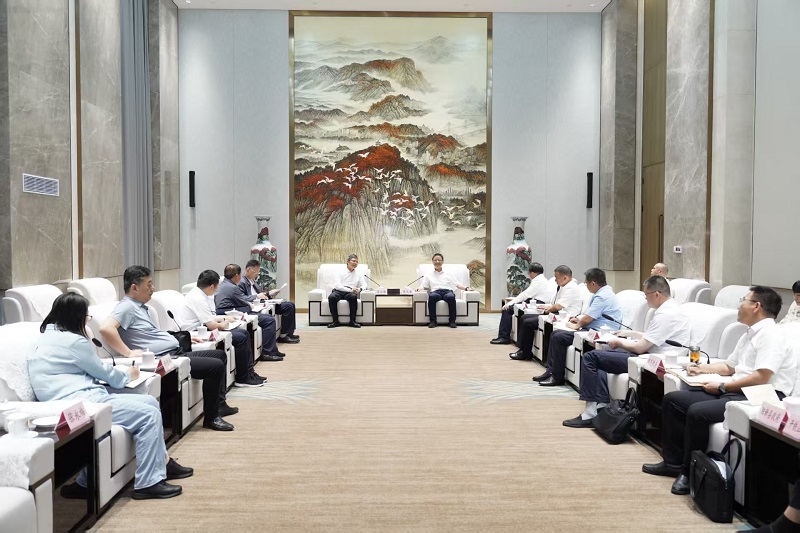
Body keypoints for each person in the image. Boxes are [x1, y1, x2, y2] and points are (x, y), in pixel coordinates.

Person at [30, 293, 192, 500]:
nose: (86, 322)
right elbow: (102, 372)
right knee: (148, 415)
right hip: (84, 403)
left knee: (150, 401)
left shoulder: (45, 338)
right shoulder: (73, 342)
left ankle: (161, 463)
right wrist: (129, 375)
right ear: (76, 316)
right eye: (86, 317)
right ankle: (148, 483)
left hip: (68, 400)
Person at [642, 286, 796, 496]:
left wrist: (723, 386)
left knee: (698, 412)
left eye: (743, 300)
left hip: (760, 395)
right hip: (739, 388)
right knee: (673, 400)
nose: (739, 305)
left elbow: (761, 377)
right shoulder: (750, 333)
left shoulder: (771, 335)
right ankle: (672, 463)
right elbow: (729, 367)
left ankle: (689, 473)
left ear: (756, 306)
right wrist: (700, 369)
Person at [100, 265, 236, 432]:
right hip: (165, 357)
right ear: (134, 288)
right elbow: (106, 328)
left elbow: (150, 334)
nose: (153, 288)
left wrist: (177, 337)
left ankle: (219, 405)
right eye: (149, 284)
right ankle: (211, 418)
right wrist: (128, 352)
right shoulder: (126, 307)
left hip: (174, 352)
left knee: (219, 355)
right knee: (215, 366)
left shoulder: (140, 307)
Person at [562, 275, 690, 427]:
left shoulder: (666, 314)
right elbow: (654, 338)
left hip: (650, 361)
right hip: (649, 355)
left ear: (656, 294)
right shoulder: (671, 309)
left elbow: (641, 347)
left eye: (646, 295)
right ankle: (600, 405)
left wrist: (619, 342)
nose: (645, 299)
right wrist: (630, 334)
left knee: (591, 358)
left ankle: (590, 413)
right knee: (599, 356)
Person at [534, 268, 623, 386]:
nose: (586, 286)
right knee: (555, 334)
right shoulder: (603, 292)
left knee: (558, 337)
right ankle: (550, 371)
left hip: (600, 333)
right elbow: (591, 316)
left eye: (586, 283)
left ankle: (557, 377)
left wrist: (576, 325)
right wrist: (579, 320)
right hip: (593, 328)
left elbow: (588, 318)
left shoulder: (602, 296)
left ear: (593, 283)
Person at [177, 269, 265, 387]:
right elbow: (213, 325)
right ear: (212, 286)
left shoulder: (199, 294)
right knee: (240, 337)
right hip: (197, 332)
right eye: (217, 285)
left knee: (244, 333)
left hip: (202, 328)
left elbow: (209, 317)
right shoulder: (198, 298)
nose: (218, 288)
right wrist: (225, 322)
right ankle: (243, 378)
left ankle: (249, 373)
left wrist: (225, 318)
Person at [509, 265, 583, 361]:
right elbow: (555, 304)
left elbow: (558, 306)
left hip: (564, 316)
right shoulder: (564, 286)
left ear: (565, 277)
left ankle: (525, 352)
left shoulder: (571, 288)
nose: (555, 280)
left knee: (528, 322)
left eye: (556, 277)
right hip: (557, 313)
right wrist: (547, 307)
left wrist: (546, 311)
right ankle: (522, 349)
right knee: (524, 317)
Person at [214, 264, 285, 361]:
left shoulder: (224, 284)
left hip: (231, 310)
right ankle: (268, 353)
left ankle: (272, 350)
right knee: (269, 320)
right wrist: (251, 305)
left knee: (267, 317)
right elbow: (244, 300)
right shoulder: (232, 287)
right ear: (237, 275)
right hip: (230, 312)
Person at [239, 259, 299, 344]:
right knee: (288, 306)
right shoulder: (242, 282)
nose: (257, 274)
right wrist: (257, 296)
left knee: (290, 305)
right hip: (257, 307)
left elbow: (260, 294)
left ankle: (288, 333)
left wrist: (269, 294)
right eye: (256, 272)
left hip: (264, 303)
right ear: (248, 269)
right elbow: (242, 298)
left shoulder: (253, 281)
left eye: (258, 272)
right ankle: (283, 336)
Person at [490, 262, 551, 345]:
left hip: (538, 303)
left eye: (529, 273)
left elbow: (525, 295)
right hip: (535, 301)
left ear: (533, 273)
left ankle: (504, 337)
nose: (529, 275)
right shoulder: (541, 279)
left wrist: (510, 303)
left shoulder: (538, 281)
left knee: (507, 309)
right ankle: (505, 336)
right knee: (512, 307)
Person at [416, 253, 472, 328]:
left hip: (447, 291)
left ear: (442, 261)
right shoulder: (429, 274)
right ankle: (433, 321)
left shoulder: (448, 273)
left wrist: (466, 288)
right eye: (435, 260)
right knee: (431, 297)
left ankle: (452, 321)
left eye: (439, 260)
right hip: (435, 292)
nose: (437, 262)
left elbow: (457, 284)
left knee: (451, 297)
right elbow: (423, 285)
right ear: (432, 261)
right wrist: (419, 289)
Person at [327, 254, 368, 328]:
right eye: (353, 261)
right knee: (332, 297)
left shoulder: (358, 273)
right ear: (348, 262)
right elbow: (338, 286)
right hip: (339, 291)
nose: (355, 263)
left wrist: (360, 289)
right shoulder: (340, 271)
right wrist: (350, 290)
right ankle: (335, 321)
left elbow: (364, 284)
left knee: (353, 297)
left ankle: (352, 321)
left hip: (351, 292)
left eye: (357, 262)